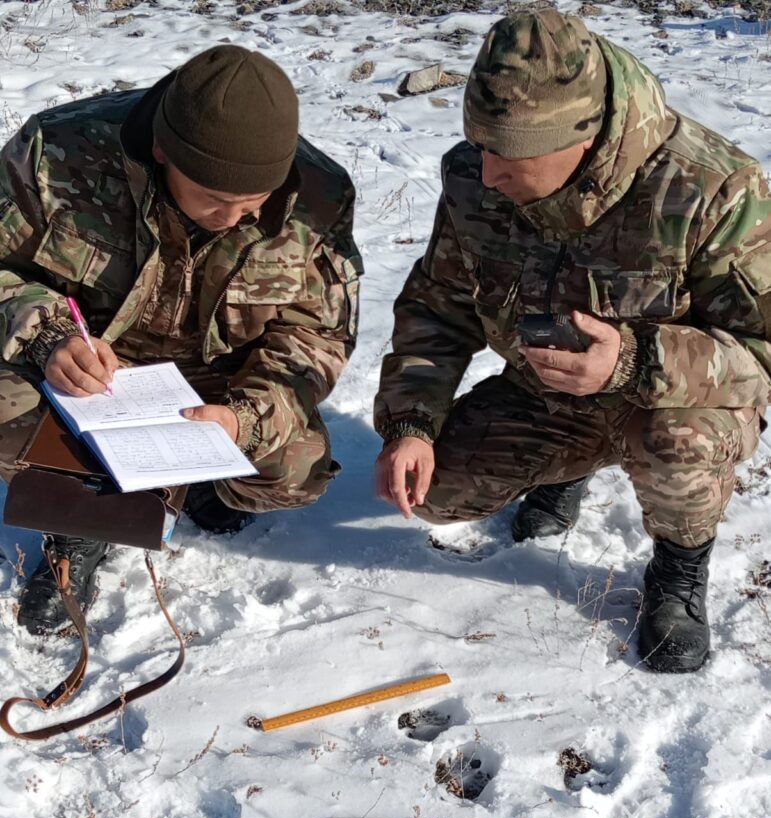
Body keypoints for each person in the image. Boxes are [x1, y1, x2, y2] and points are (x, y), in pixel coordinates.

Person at [374, 10, 770, 672]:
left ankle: (678, 568)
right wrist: (411, 421)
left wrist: (636, 362)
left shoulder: (711, 191)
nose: (488, 172)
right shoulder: (476, 179)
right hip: (545, 393)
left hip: (675, 405)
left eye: (508, 155)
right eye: (480, 145)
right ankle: (571, 464)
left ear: (582, 143)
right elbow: (436, 305)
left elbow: (761, 353)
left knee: (679, 441)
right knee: (435, 492)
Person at [0, 44, 362, 635]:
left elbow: (316, 333)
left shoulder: (319, 195)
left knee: (293, 469)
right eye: (215, 199)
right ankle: (82, 526)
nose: (236, 217)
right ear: (163, 152)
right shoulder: (59, 154)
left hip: (220, 382)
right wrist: (48, 333)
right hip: (91, 373)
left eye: (255, 203)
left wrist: (244, 420)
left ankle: (197, 482)